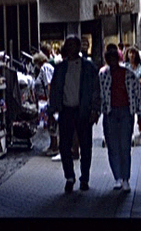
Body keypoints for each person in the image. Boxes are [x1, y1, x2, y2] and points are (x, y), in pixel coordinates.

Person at [48, 35, 101, 193]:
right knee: (64, 145)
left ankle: (84, 177)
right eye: (68, 45)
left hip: (82, 110)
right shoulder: (60, 68)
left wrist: (94, 110)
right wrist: (53, 109)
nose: (71, 48)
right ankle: (69, 177)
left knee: (86, 146)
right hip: (66, 111)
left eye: (73, 45)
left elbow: (95, 90)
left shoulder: (89, 67)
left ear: (78, 48)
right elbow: (55, 90)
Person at [99, 44, 141, 192]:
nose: (112, 61)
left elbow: (137, 94)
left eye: (113, 58)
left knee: (124, 146)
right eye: (109, 58)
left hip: (125, 112)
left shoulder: (128, 74)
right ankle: (118, 177)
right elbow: (100, 96)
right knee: (113, 146)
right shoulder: (103, 75)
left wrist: (139, 112)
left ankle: (125, 178)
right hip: (110, 112)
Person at [33, 52, 58, 157]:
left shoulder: (45, 68)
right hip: (46, 100)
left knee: (51, 123)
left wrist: (50, 100)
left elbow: (49, 84)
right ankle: (52, 145)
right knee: (50, 124)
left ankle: (54, 146)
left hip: (47, 100)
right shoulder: (47, 67)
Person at [124, 45, 141, 136]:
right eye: (130, 53)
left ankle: (140, 126)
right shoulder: (125, 66)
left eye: (133, 53)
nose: (132, 55)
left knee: (140, 110)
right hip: (128, 92)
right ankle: (130, 128)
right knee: (129, 111)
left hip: (139, 92)